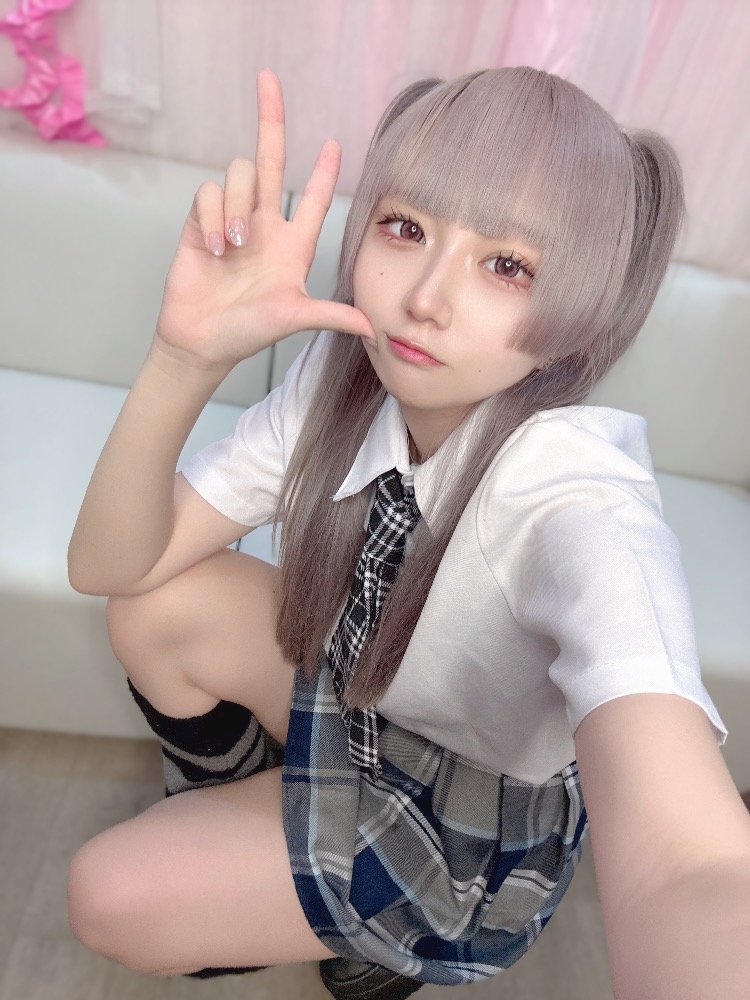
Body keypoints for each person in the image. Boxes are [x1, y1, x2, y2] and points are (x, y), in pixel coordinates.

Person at [66, 67, 750, 1000]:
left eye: (507, 266)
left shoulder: (581, 503)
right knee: (156, 604)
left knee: (107, 893)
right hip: (357, 698)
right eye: (406, 228)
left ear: (582, 313)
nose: (424, 298)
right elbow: (112, 565)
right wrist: (183, 357)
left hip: (464, 810)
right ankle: (267, 830)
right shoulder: (343, 377)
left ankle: (372, 945)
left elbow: (693, 863)